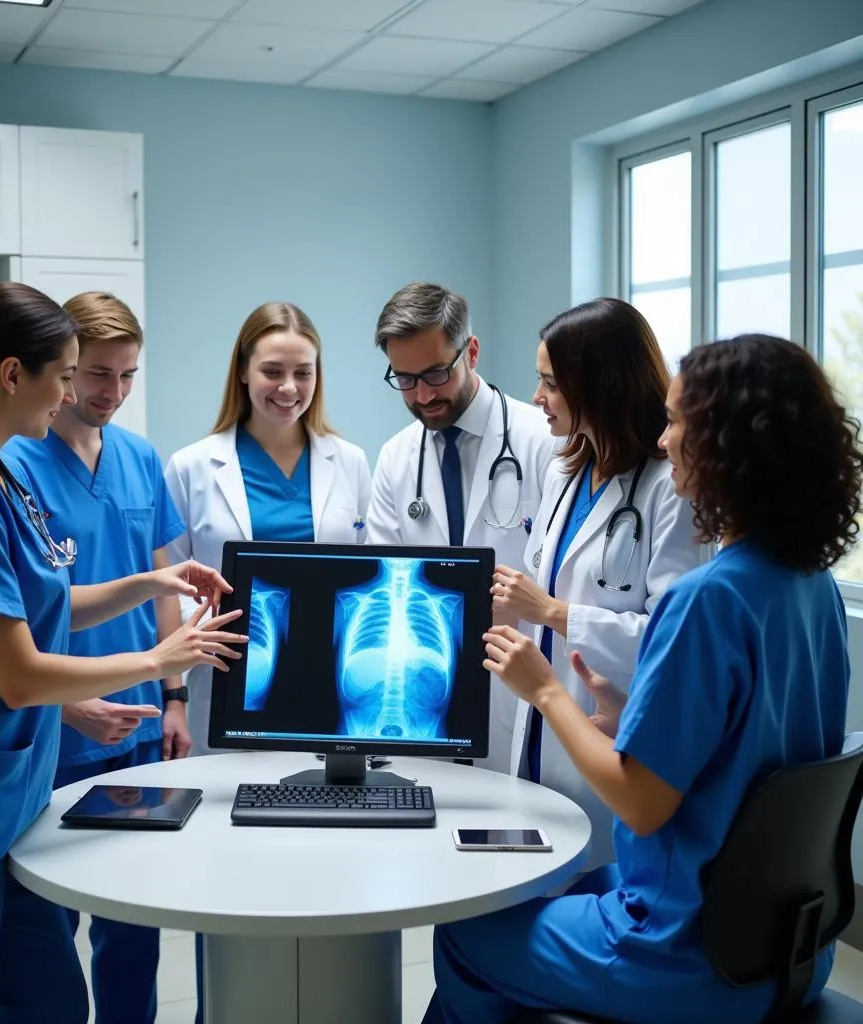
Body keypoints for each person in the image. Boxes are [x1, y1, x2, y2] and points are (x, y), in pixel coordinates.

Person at [0, 283, 247, 1024]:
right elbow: (19, 672)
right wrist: (161, 663)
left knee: (52, 1002)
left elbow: (47, 603)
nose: (70, 396)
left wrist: (151, 581)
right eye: (67, 374)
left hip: (2, 807)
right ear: (11, 375)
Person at [424, 334, 858, 1024]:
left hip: (688, 956)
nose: (664, 442)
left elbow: (641, 803)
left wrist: (544, 690)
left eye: (679, 422)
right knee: (577, 885)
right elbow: (760, 759)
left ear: (727, 446)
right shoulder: (812, 587)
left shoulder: (708, 600)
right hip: (787, 943)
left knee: (466, 933)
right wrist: (628, 723)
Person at [2, 291, 186, 1024]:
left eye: (127, 376)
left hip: (140, 729)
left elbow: (163, 581)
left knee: (135, 923)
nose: (111, 393)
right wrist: (64, 706)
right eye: (97, 375)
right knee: (48, 928)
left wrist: (173, 699)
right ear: (65, 367)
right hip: (54, 731)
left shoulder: (140, 458)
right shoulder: (11, 462)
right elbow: (5, 621)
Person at [492, 298, 699, 868]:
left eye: (551, 384)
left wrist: (557, 613)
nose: (538, 398)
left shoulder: (668, 490)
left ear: (600, 385)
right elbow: (552, 575)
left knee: (586, 879)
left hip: (610, 733)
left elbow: (671, 637)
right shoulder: (568, 467)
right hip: (541, 726)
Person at [163, 301, 372, 759]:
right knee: (224, 812)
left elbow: (364, 569)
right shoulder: (192, 467)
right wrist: (178, 684)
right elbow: (170, 585)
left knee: (318, 810)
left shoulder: (350, 462)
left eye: (303, 373)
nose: (288, 387)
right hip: (225, 671)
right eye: (272, 371)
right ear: (242, 371)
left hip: (326, 675)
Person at [366, 281, 555, 773]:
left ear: (470, 350)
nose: (423, 395)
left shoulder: (543, 443)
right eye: (404, 379)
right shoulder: (396, 456)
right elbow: (387, 579)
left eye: (435, 373)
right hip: (427, 692)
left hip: (519, 689)